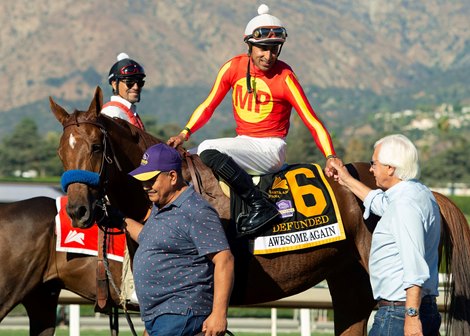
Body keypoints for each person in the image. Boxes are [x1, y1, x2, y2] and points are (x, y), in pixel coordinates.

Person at [168, 4, 343, 237]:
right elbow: (209, 104)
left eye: (274, 49)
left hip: (271, 148)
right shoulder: (233, 67)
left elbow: (311, 120)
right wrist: (184, 134)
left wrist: (330, 156)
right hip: (244, 144)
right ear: (249, 45)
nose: (268, 56)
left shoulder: (285, 77)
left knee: (209, 148)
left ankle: (261, 205)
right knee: (188, 158)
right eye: (262, 48)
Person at [329, 134, 441, 336]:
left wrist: (412, 317)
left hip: (399, 314)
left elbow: (414, 266)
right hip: (416, 309)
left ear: (390, 167)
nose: (371, 169)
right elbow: (379, 203)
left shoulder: (404, 205)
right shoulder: (418, 193)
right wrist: (346, 180)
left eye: (374, 163)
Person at [122, 143, 234, 336]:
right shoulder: (161, 206)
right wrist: (117, 219)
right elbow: (147, 238)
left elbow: (224, 260)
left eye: (151, 180)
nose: (145, 186)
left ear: (172, 177)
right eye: (142, 181)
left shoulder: (197, 211)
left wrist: (219, 314)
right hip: (162, 316)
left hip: (181, 313)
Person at [102, 52, 146, 130]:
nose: (136, 87)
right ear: (115, 84)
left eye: (140, 83)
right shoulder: (112, 113)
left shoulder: (129, 112)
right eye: (129, 82)